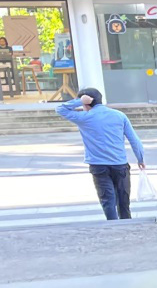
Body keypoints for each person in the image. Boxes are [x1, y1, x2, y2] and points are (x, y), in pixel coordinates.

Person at [55, 88, 146, 221]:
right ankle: (127, 225)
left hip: (98, 166)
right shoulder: (119, 116)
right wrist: (140, 158)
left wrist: (77, 102)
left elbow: (60, 109)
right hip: (120, 165)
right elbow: (134, 140)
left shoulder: (83, 118)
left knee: (107, 200)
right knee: (123, 201)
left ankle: (112, 225)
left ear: (85, 103)